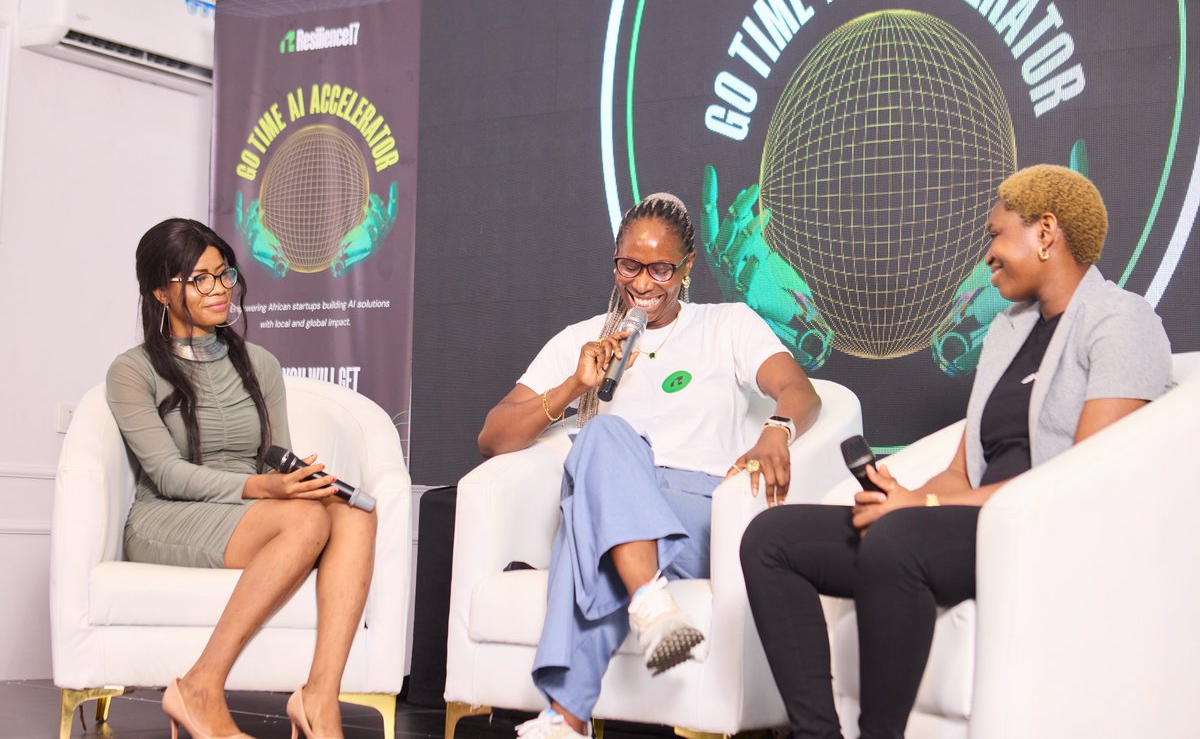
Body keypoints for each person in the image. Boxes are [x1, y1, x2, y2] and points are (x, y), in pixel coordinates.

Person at [739, 164, 1174, 739]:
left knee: (898, 540)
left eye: (997, 235)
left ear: (1046, 233)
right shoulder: (1008, 331)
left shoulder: (1122, 319)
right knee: (772, 539)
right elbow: (960, 471)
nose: (987, 254)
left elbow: (1082, 481)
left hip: (1045, 529)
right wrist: (906, 497)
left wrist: (919, 514)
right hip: (969, 523)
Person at [477, 193, 822, 739]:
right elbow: (493, 436)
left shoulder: (727, 324)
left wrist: (776, 430)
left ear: (686, 269)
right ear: (615, 261)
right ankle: (649, 603)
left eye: (661, 268)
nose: (642, 283)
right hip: (612, 494)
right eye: (629, 266)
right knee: (605, 435)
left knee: (586, 530)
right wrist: (575, 386)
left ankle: (566, 716)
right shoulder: (581, 339)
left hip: (696, 507)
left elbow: (799, 391)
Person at [106, 219, 377, 739]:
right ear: (162, 291)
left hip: (246, 509)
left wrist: (301, 479)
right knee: (302, 523)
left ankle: (320, 699)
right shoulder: (133, 370)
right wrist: (264, 490)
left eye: (223, 274)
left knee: (355, 513)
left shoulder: (260, 363)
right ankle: (200, 686)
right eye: (199, 279)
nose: (219, 290)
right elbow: (166, 474)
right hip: (166, 517)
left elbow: (272, 456)